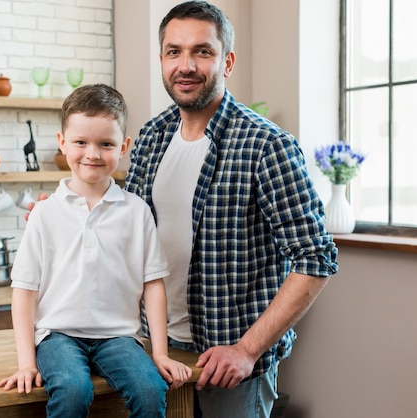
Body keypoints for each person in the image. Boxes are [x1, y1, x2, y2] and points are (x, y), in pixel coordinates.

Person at [122, 2, 339, 417]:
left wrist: (246, 349)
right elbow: (125, 230)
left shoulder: (266, 145)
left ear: (228, 61)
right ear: (162, 59)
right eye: (174, 51)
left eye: (202, 51)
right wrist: (67, 209)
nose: (186, 65)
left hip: (228, 368)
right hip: (155, 352)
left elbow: (315, 258)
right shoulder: (150, 137)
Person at [0, 84, 192, 418]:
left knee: (149, 389)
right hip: (57, 336)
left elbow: (153, 285)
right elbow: (24, 291)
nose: (93, 154)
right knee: (73, 390)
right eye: (81, 142)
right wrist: (26, 363)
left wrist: (160, 353)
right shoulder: (44, 213)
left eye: (106, 144)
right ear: (62, 143)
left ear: (124, 146)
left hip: (119, 336)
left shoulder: (136, 211)